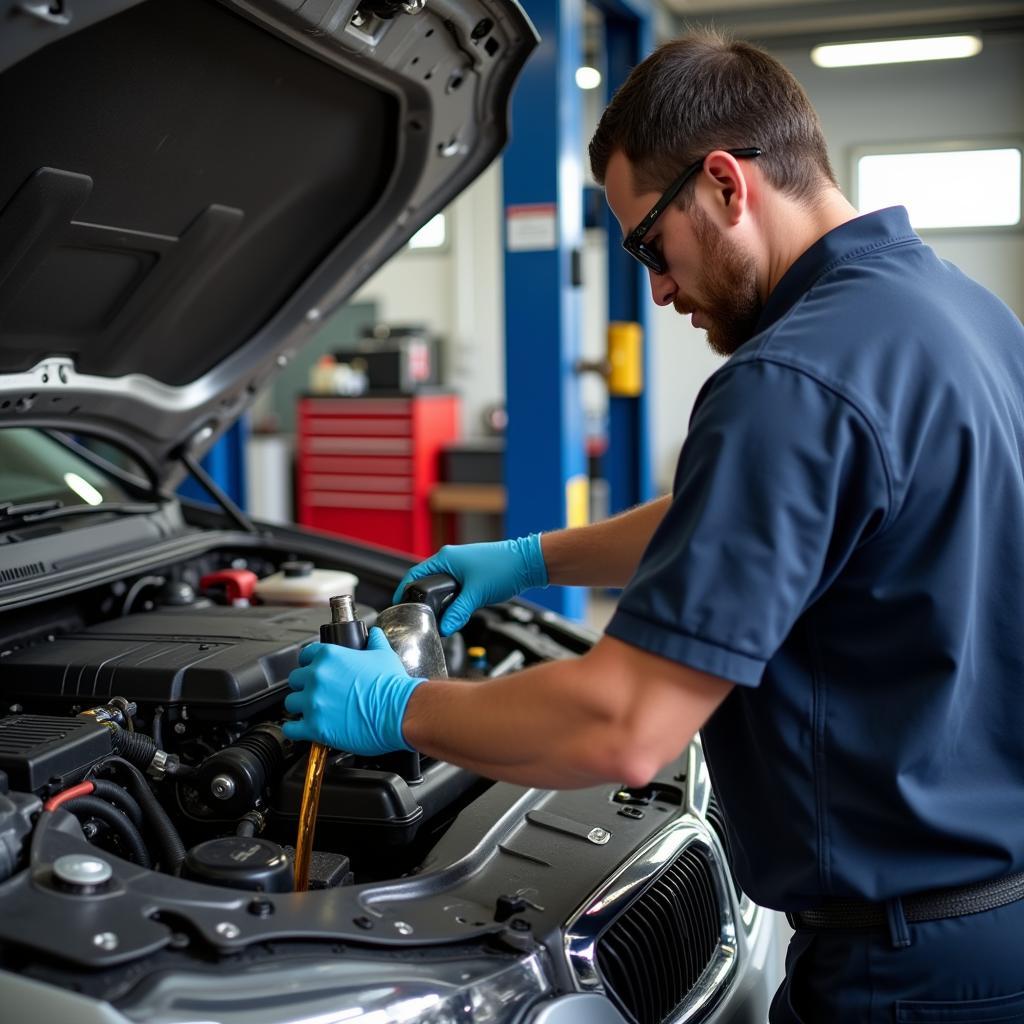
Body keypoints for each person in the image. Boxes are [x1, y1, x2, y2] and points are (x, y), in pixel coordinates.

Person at [283, 29, 1024, 1021]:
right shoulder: (956, 315)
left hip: (902, 972)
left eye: (647, 245)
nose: (658, 288)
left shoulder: (785, 380)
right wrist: (532, 557)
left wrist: (398, 709)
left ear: (725, 183)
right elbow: (767, 515)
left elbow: (626, 726)